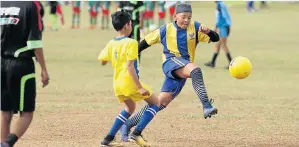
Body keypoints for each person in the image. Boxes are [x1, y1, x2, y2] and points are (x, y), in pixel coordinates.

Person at [120, 3, 219, 142]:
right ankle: (206, 105)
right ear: (175, 16)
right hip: (171, 63)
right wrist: (129, 57)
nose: (186, 20)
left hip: (183, 68)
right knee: (196, 70)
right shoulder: (165, 29)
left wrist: (209, 32)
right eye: (183, 17)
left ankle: (129, 126)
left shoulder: (195, 27)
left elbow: (216, 38)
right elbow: (144, 43)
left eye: (189, 17)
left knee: (159, 103)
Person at [98, 10, 160, 147]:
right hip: (130, 82)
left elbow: (102, 60)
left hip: (117, 84)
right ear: (127, 26)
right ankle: (136, 132)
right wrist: (139, 87)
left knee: (130, 108)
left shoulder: (111, 43)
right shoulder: (131, 42)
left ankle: (108, 139)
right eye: (131, 24)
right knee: (155, 103)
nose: (131, 26)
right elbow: (130, 66)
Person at [1, 1, 49, 147]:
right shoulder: (31, 5)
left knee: (5, 112)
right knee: (26, 113)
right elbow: (34, 42)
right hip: (21, 64)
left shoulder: (2, 3)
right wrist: (44, 69)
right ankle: (7, 144)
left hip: (2, 63)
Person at [205, 1, 232, 69]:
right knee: (217, 45)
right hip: (222, 27)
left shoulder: (220, 5)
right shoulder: (220, 4)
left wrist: (215, 27)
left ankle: (231, 63)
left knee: (223, 45)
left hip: (223, 27)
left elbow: (223, 18)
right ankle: (212, 62)